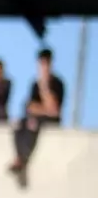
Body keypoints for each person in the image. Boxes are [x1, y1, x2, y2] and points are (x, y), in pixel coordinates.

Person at [9, 48, 66, 189]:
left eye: (46, 62)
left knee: (32, 123)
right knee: (19, 123)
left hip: (50, 121)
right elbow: (29, 107)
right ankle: (20, 157)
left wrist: (45, 87)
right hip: (35, 118)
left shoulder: (58, 83)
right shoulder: (34, 84)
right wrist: (43, 108)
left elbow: (54, 110)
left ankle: (22, 159)